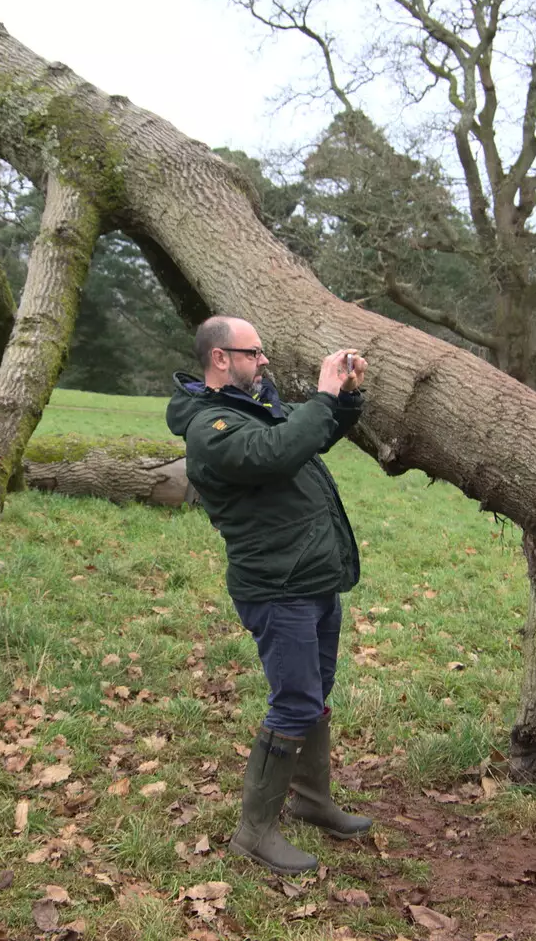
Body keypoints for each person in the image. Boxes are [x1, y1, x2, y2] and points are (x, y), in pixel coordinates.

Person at [167, 317, 370, 874]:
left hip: (311, 576)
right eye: (253, 353)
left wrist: (343, 402)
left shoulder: (249, 408)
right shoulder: (210, 426)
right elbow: (278, 451)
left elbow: (309, 439)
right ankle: (254, 831)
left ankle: (311, 798)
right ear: (219, 359)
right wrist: (321, 395)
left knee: (316, 693)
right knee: (295, 702)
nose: (263, 363)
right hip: (278, 586)